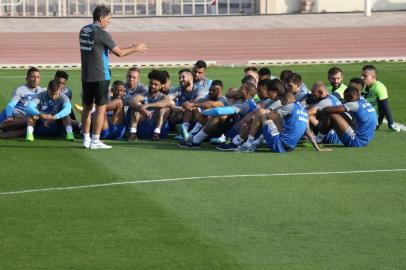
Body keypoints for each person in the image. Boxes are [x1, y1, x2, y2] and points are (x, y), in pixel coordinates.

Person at [79, 5, 147, 149]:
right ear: (101, 18)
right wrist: (136, 48)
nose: (109, 22)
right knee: (100, 109)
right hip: (100, 76)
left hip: (86, 76)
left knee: (86, 108)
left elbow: (94, 48)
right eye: (108, 19)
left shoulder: (83, 30)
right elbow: (120, 53)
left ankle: (86, 139)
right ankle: (95, 140)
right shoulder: (103, 33)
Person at [178, 82, 257, 149]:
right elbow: (227, 97)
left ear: (246, 93)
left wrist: (203, 113)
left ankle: (195, 140)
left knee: (217, 116)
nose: (238, 91)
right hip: (239, 131)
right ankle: (194, 137)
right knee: (219, 115)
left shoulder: (245, 104)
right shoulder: (245, 102)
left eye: (241, 89)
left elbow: (219, 111)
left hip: (241, 134)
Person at [0, 67, 46, 138]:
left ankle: (2, 135)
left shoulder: (42, 91)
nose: (35, 79)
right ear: (27, 78)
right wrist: (9, 116)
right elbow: (11, 105)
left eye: (38, 77)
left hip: (31, 118)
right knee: (29, 121)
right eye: (33, 77)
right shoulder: (21, 89)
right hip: (18, 115)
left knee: (29, 129)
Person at [127, 70, 172, 140]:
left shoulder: (163, 96)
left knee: (164, 109)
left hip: (158, 127)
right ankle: (133, 133)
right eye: (151, 83)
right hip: (143, 127)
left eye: (156, 85)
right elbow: (131, 101)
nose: (152, 86)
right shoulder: (143, 95)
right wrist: (142, 107)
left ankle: (156, 133)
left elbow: (166, 102)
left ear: (161, 86)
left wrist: (148, 105)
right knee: (135, 107)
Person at [361, 65, 398, 131]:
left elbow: (385, 107)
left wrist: (391, 124)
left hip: (372, 121)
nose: (362, 78)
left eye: (365, 76)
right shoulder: (363, 86)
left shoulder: (379, 87)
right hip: (364, 118)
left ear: (373, 77)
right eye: (362, 75)